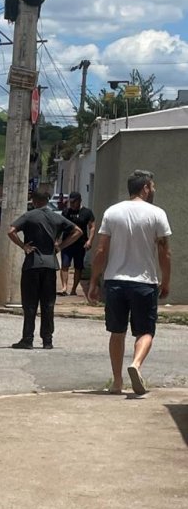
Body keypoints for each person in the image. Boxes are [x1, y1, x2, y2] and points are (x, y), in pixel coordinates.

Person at [87, 169, 171, 395]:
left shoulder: (112, 212)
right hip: (144, 283)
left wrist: (94, 281)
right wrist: (166, 281)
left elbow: (101, 250)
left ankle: (116, 382)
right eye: (152, 186)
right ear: (145, 188)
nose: (153, 190)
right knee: (145, 331)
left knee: (117, 332)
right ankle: (136, 364)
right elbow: (164, 253)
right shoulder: (157, 214)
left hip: (115, 282)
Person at [7, 189, 82, 349]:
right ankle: (47, 340)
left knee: (30, 304)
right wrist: (60, 246)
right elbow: (78, 231)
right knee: (48, 304)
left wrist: (23, 246)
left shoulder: (29, 216)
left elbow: (11, 231)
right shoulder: (56, 217)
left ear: (33, 201)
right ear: (47, 200)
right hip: (50, 264)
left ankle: (27, 339)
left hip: (32, 263)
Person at [59, 191, 95, 296]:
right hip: (67, 243)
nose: (72, 204)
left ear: (79, 201)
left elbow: (92, 227)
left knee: (78, 267)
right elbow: (60, 226)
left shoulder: (87, 212)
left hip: (80, 244)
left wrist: (90, 240)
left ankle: (74, 289)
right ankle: (64, 287)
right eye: (71, 202)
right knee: (65, 265)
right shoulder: (66, 212)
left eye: (74, 202)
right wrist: (57, 240)